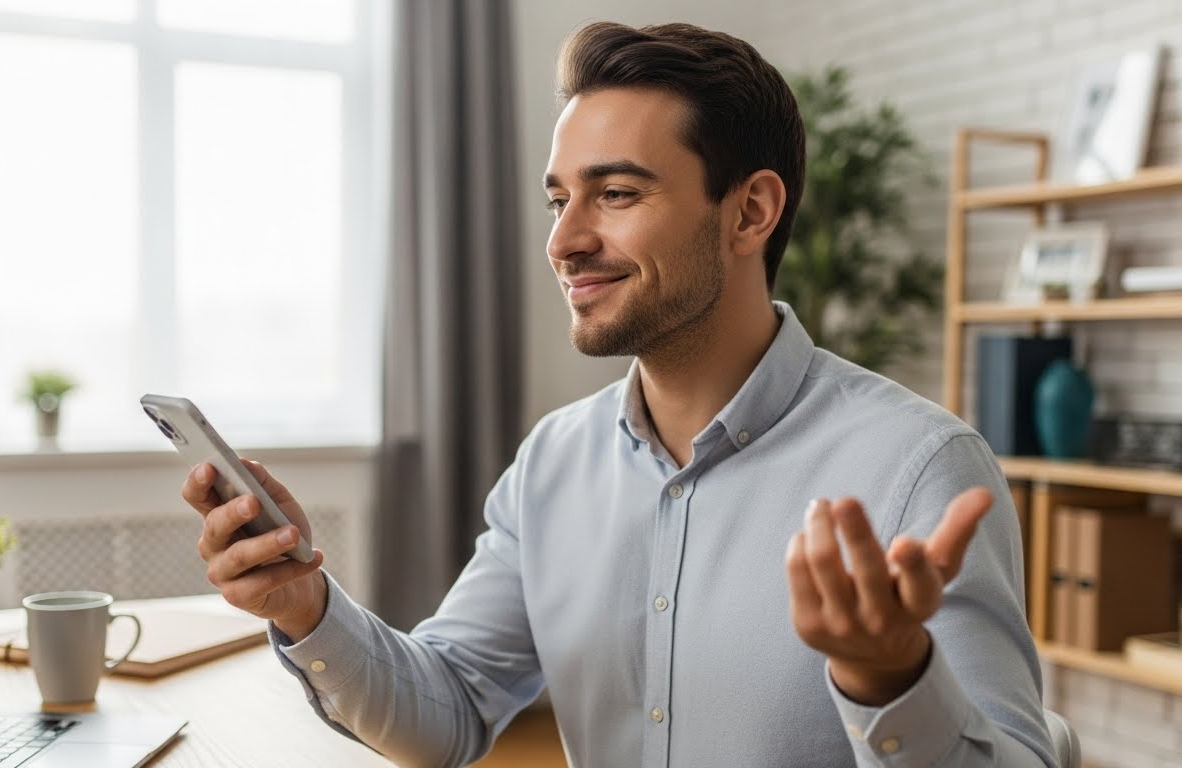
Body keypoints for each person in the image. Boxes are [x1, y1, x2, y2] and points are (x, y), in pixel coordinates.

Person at [181, 21, 1056, 768]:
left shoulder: (916, 469)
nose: (563, 239)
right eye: (559, 198)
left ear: (749, 213)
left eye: (616, 193)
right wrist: (303, 607)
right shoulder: (553, 462)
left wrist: (889, 679)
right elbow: (443, 711)